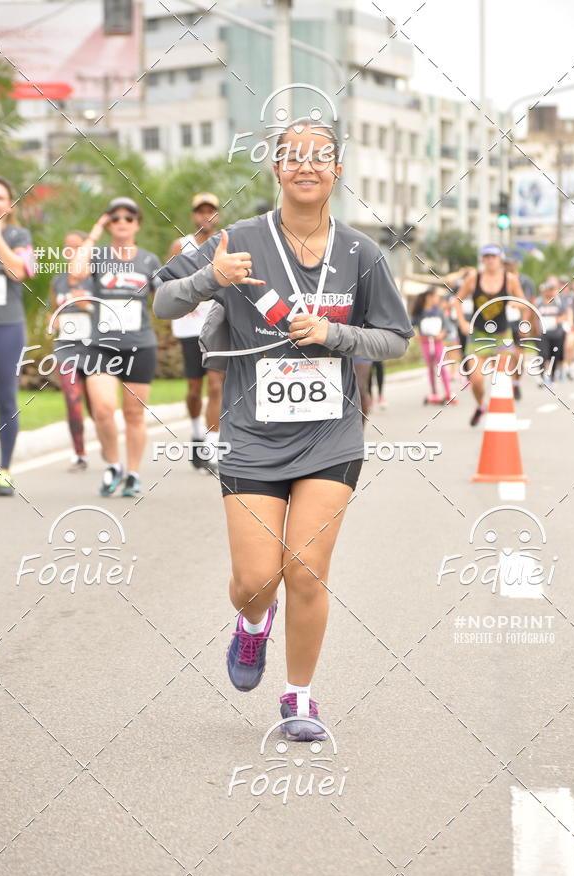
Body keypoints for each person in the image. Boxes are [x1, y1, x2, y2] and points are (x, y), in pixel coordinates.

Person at [154, 118, 413, 740]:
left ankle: (299, 697)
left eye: (319, 158)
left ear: (337, 170)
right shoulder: (237, 237)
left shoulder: (361, 252)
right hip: (250, 433)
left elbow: (397, 340)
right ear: (275, 168)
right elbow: (162, 303)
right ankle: (250, 625)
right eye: (292, 157)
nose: (306, 166)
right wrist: (208, 279)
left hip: (331, 435)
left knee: (305, 568)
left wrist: (336, 335)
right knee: (255, 580)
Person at [71, 197, 161, 497]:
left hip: (139, 345)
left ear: (137, 224)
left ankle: (133, 473)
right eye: (115, 218)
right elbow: (75, 272)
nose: (122, 222)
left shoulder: (148, 260)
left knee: (134, 414)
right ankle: (113, 465)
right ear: (109, 223)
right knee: (103, 409)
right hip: (102, 347)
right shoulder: (97, 255)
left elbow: (165, 296)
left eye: (129, 217)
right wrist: (95, 230)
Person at [166, 192, 225, 472]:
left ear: (217, 216)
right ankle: (196, 433)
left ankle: (212, 449)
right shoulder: (181, 245)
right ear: (193, 216)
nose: (206, 216)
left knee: (216, 385)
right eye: (200, 211)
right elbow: (165, 282)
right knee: (194, 389)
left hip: (214, 324)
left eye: (211, 211)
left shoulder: (225, 244)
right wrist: (183, 300)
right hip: (188, 326)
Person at [454, 245, 526, 426]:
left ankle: (504, 411)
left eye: (493, 257)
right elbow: (457, 299)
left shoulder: (509, 280)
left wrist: (517, 306)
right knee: (476, 379)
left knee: (502, 376)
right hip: (478, 335)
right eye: (486, 257)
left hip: (502, 334)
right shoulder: (474, 278)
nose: (490, 260)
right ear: (482, 259)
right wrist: (462, 322)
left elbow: (524, 302)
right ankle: (480, 406)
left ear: (500, 259)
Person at [0, 176, 34, 496]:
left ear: (9, 204)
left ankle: (4, 469)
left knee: (6, 399)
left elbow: (19, 272)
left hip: (7, 327)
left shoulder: (19, 235)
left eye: (0, 197)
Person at [49, 230, 93, 471]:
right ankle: (80, 453)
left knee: (97, 406)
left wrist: (87, 306)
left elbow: (109, 314)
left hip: (95, 348)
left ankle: (109, 448)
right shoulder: (58, 280)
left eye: (77, 247)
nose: (71, 252)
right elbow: (53, 309)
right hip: (66, 347)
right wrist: (53, 320)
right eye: (68, 248)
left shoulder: (96, 278)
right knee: (72, 399)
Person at [411, 288, 455, 403]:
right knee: (430, 368)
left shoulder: (439, 311)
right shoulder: (419, 313)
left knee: (442, 367)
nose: (438, 299)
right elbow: (409, 327)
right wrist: (417, 336)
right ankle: (434, 392)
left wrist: (442, 334)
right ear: (429, 297)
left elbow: (446, 326)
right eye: (436, 297)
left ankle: (448, 392)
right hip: (425, 343)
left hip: (437, 343)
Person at [504, 256, 536, 400]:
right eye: (505, 264)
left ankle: (516, 382)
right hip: (502, 323)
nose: (508, 266)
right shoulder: (498, 280)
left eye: (510, 264)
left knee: (518, 356)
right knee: (504, 355)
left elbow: (528, 304)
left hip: (518, 322)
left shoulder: (525, 281)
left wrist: (525, 324)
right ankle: (507, 384)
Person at [536, 278, 570, 384]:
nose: (550, 292)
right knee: (543, 354)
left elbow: (565, 315)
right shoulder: (538, 302)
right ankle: (542, 377)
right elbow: (533, 315)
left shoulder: (559, 302)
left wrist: (556, 320)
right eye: (548, 289)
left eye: (552, 289)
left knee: (554, 356)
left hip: (556, 334)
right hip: (542, 334)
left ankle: (552, 376)